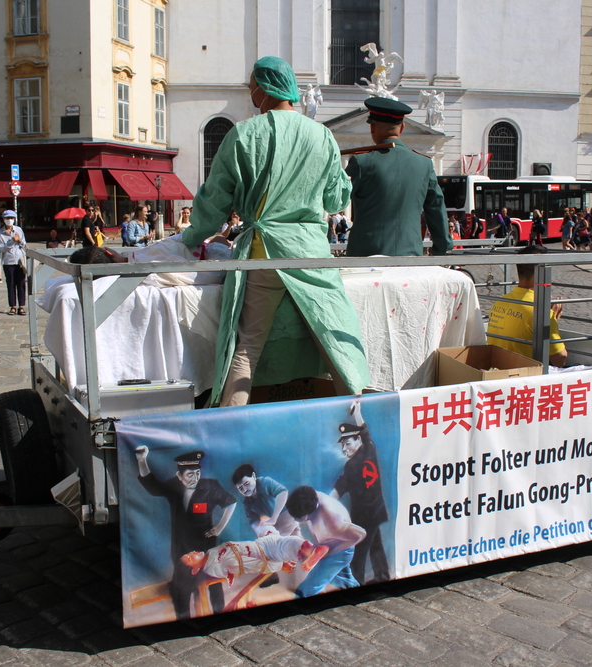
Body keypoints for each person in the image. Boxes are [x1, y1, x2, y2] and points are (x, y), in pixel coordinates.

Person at [180, 55, 368, 407]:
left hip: (263, 251)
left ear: (264, 89)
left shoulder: (244, 134)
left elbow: (214, 200)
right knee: (335, 339)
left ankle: (232, 426)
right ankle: (365, 416)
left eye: (252, 86)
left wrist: (191, 238)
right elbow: (336, 198)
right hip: (311, 251)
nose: (250, 93)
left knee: (247, 345)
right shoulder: (322, 135)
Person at [135, 447, 236, 620]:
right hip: (182, 547)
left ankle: (220, 613)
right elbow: (152, 487)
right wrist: (141, 459)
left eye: (197, 473)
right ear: (179, 476)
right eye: (190, 474)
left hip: (207, 547)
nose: (195, 478)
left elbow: (230, 502)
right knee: (181, 587)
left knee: (214, 583)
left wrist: (219, 527)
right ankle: (183, 618)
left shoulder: (210, 486)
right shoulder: (173, 486)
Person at [344, 97, 450, 257]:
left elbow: (337, 201)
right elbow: (436, 208)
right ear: (402, 128)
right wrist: (441, 247)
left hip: (365, 257)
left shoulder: (361, 162)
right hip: (409, 256)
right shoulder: (424, 164)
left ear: (372, 127)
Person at [331, 400, 389, 585]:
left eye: (347, 443)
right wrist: (324, 502)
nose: (344, 448)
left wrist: (357, 413)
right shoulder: (349, 466)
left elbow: (364, 431)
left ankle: (356, 583)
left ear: (358, 441)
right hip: (367, 515)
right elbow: (340, 488)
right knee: (375, 546)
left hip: (368, 515)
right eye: (342, 445)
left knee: (359, 552)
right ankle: (382, 576)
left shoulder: (368, 450)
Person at [486, 245, 568, 367]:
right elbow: (560, 359)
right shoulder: (540, 310)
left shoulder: (500, 302)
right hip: (525, 376)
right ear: (543, 271)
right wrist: (551, 320)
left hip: (498, 369)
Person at [285, 485, 366, 598]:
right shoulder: (311, 496)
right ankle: (360, 596)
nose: (296, 520)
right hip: (326, 544)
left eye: (299, 518)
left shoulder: (333, 520)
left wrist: (329, 552)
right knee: (343, 580)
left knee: (306, 590)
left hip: (338, 551)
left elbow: (360, 534)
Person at [180, 534, 329, 590]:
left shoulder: (212, 553)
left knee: (289, 541)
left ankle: (314, 551)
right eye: (189, 558)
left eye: (189, 552)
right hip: (267, 554)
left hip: (261, 544)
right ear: (194, 570)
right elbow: (248, 565)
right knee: (291, 545)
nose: (192, 553)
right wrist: (279, 565)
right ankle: (314, 551)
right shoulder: (215, 566)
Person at [0, 210, 27, 316]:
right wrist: (12, 241)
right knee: (11, 284)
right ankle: (12, 306)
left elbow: (24, 244)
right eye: (7, 218)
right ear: (3, 219)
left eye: (12, 218)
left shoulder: (18, 230)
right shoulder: (0, 233)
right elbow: (1, 248)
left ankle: (21, 306)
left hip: (19, 261)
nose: (9, 220)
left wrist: (19, 240)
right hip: (8, 261)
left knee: (21, 283)